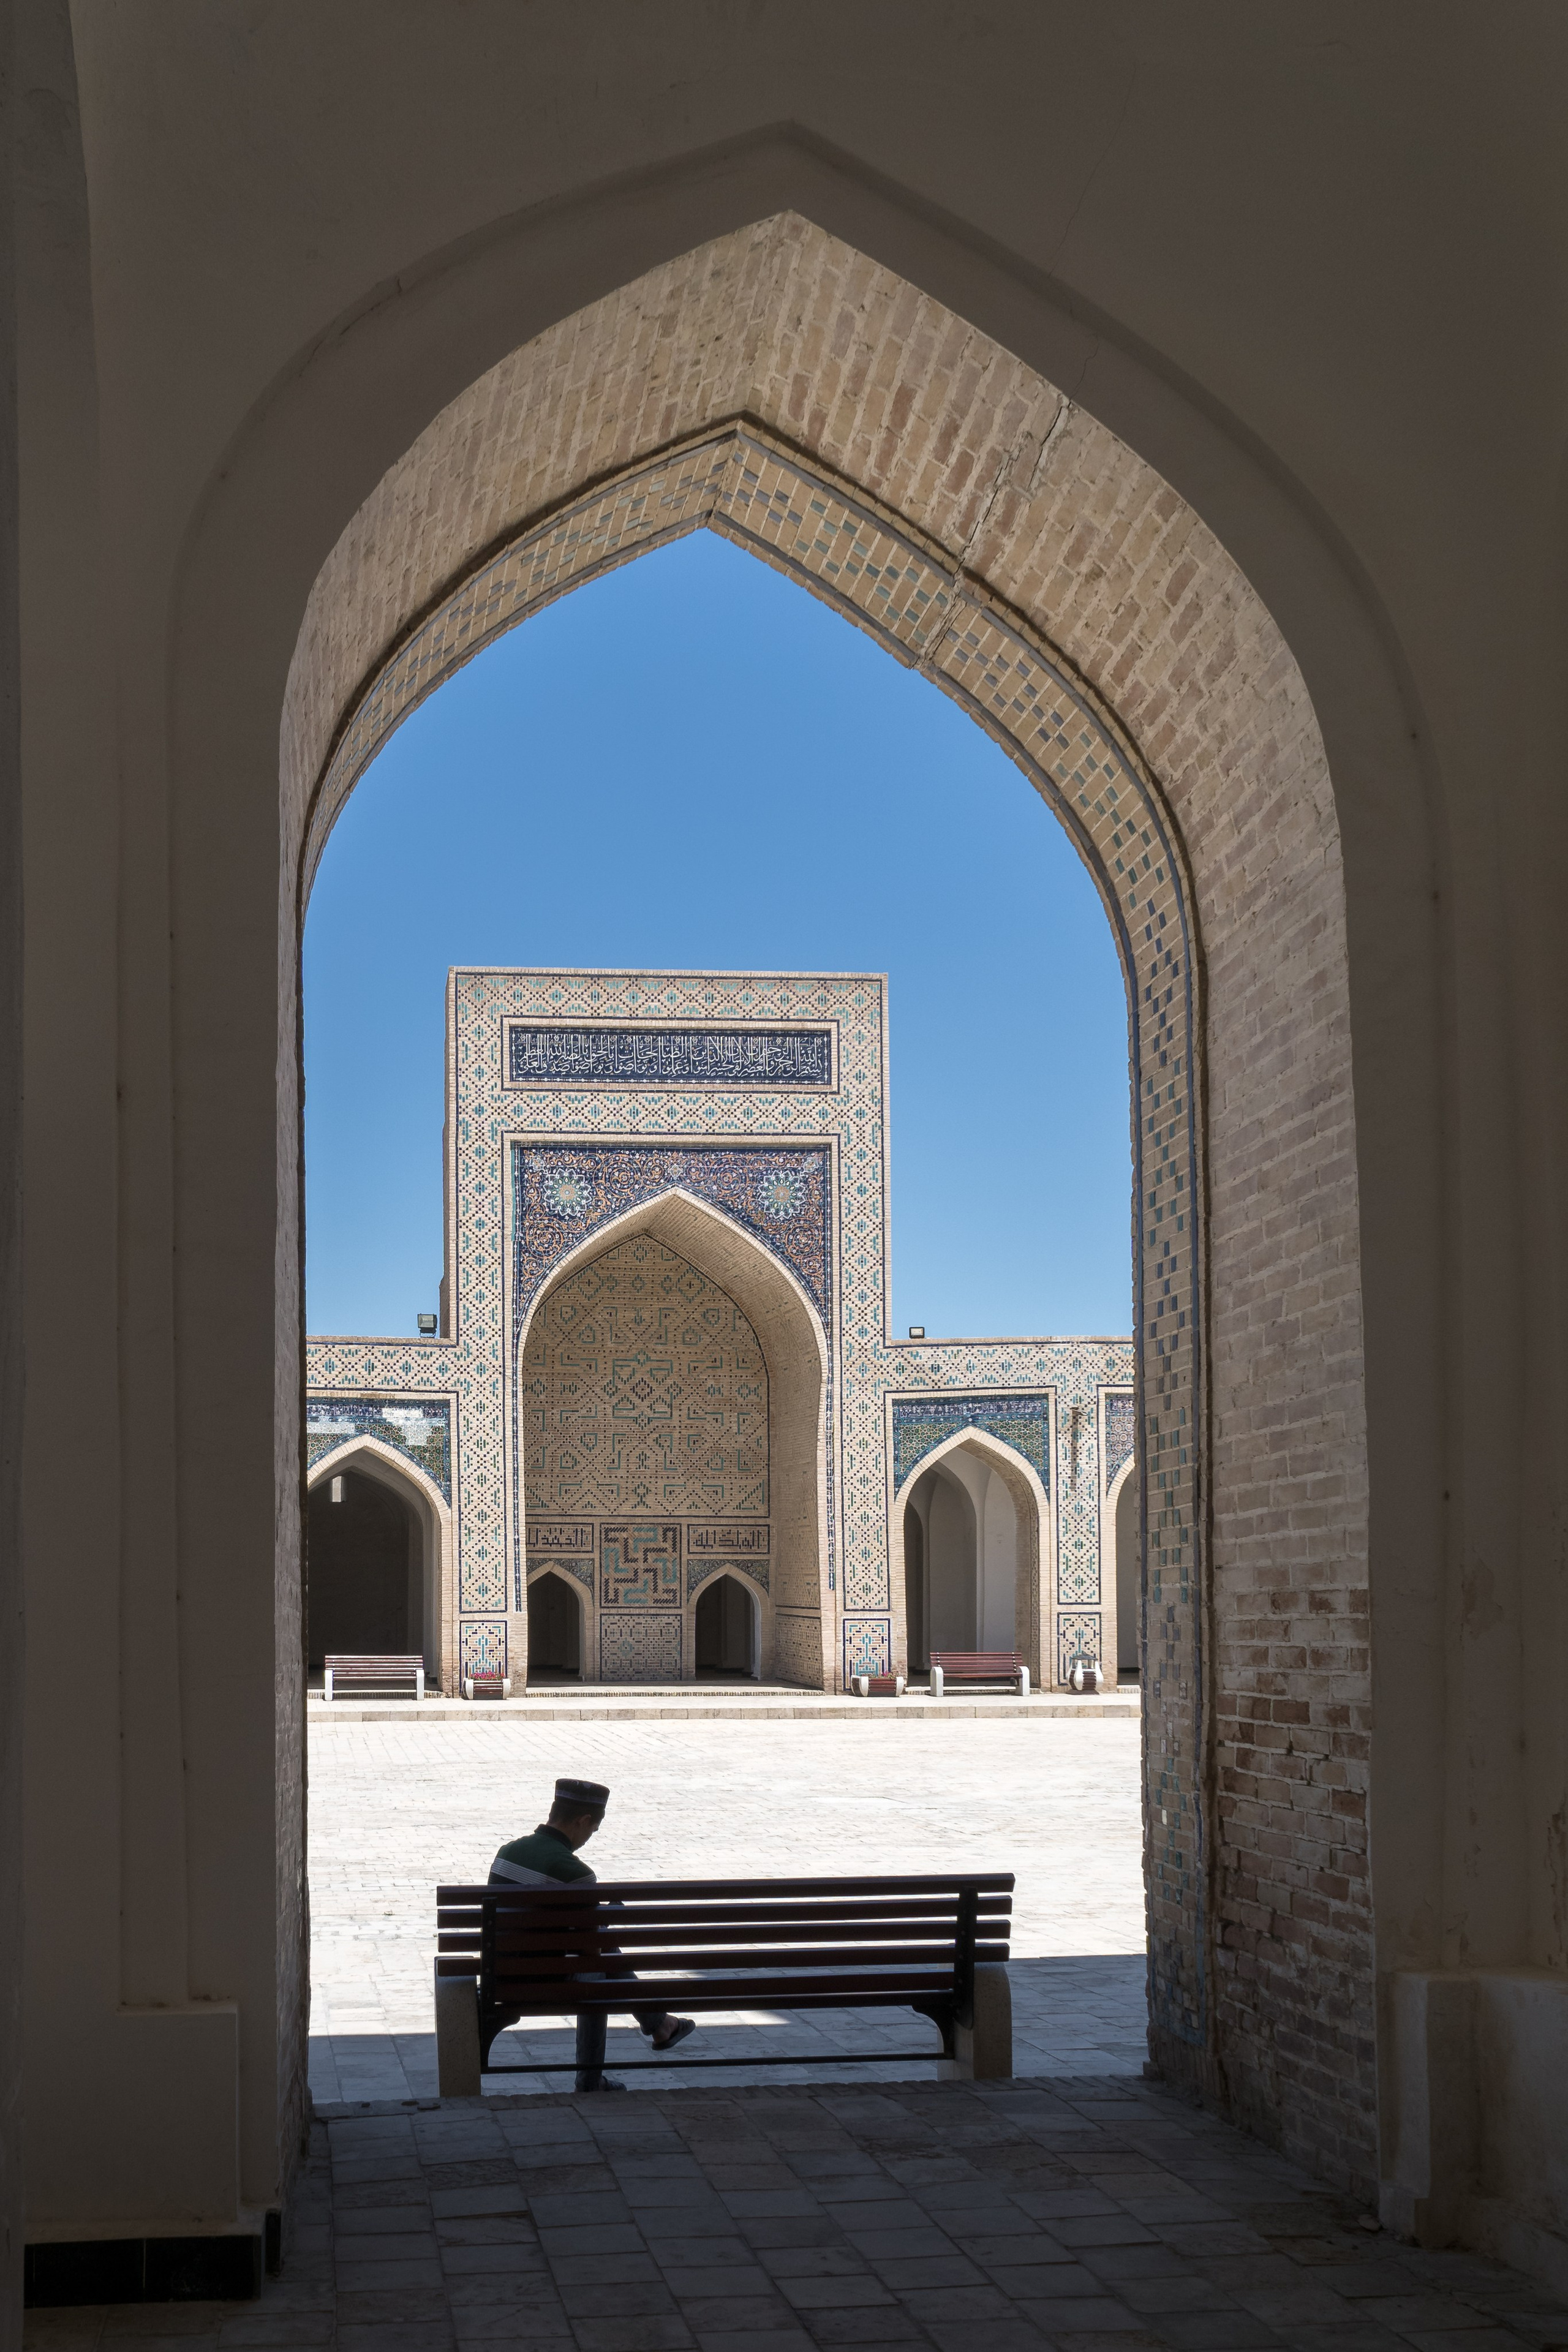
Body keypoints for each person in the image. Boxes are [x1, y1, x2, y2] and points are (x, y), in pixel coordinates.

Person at [489, 1775, 696, 2092]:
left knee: (600, 1950)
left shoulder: (507, 1852)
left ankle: (660, 2024)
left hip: (501, 1975)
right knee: (600, 1967)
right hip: (543, 1982)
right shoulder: (577, 1873)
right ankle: (597, 2074)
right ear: (584, 1821)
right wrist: (599, 1926)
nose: (589, 1838)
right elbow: (591, 1954)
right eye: (593, 1830)